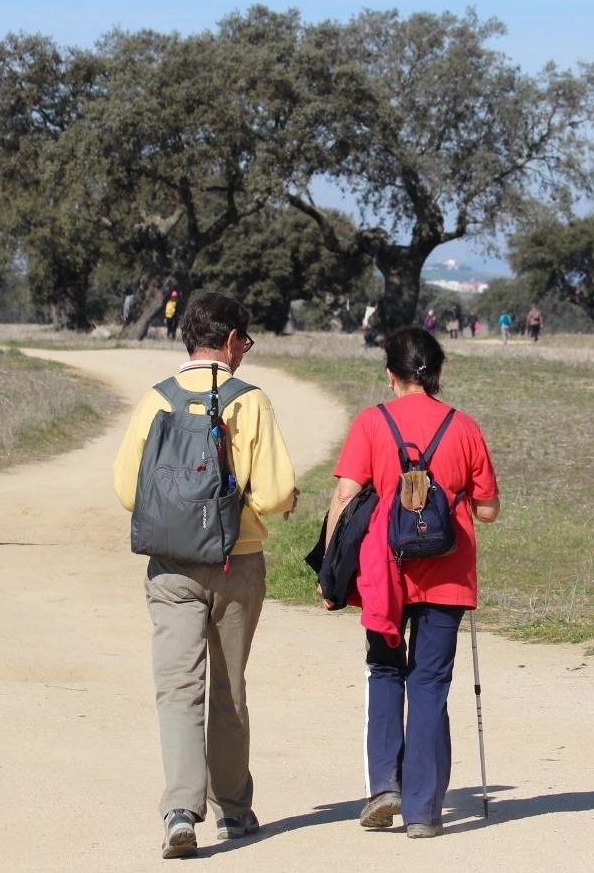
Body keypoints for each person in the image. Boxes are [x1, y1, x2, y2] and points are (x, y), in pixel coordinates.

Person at [112, 291, 300, 859]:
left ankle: (179, 811)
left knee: (177, 689)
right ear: (230, 340)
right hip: (236, 562)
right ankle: (235, 809)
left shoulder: (157, 399)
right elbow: (272, 493)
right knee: (228, 688)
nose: (245, 350)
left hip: (170, 565)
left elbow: (127, 489)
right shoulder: (251, 401)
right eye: (244, 339)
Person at [319, 327, 500, 839]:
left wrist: (331, 570)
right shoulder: (463, 427)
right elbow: (487, 510)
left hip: (384, 573)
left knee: (384, 670)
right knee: (430, 684)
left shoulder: (371, 422)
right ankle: (423, 811)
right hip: (447, 573)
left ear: (390, 374)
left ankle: (384, 786)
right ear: (436, 372)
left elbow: (344, 497)